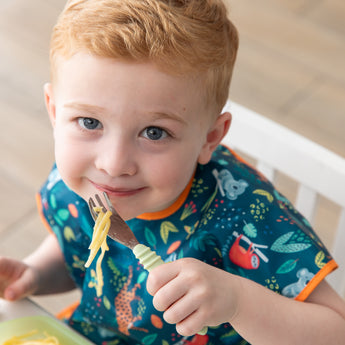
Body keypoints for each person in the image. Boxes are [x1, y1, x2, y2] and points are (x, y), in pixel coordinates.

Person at [1, 0, 345, 344]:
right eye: (90, 122)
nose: (113, 163)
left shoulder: (244, 217)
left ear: (210, 137)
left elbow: (336, 330)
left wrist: (238, 302)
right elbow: (83, 251)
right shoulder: (85, 183)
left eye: (154, 132)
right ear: (54, 112)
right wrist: (35, 274)